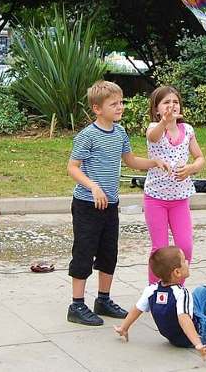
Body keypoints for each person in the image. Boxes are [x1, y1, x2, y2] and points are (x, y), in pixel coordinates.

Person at [67, 80, 171, 326]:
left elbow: (131, 160)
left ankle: (103, 300)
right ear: (97, 109)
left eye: (121, 102)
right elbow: (72, 167)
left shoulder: (120, 132)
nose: (120, 107)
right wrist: (93, 187)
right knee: (84, 252)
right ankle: (76, 304)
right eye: (113, 104)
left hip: (110, 204)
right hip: (86, 205)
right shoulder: (88, 135)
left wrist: (155, 162)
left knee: (108, 253)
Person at [144, 85, 205, 284]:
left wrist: (190, 168)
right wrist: (164, 122)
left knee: (185, 247)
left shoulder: (187, 130)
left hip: (180, 199)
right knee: (160, 250)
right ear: (156, 109)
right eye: (166, 102)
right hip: (156, 199)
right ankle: (154, 291)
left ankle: (177, 288)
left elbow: (199, 158)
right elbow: (153, 137)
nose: (172, 106)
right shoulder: (154, 128)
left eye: (175, 102)